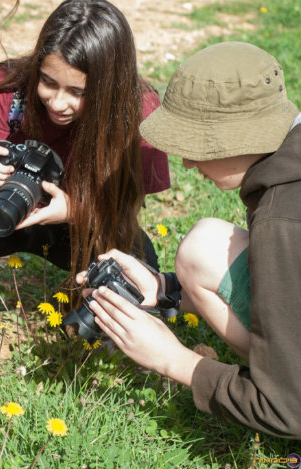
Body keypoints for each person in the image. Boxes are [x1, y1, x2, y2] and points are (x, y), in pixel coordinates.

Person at [0, 0, 170, 354]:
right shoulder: (8, 88)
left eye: (78, 92)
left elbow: (129, 204)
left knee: (137, 270)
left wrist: (76, 210)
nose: (56, 103)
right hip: (3, 209)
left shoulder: (140, 111)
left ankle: (86, 291)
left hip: (82, 221)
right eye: (48, 82)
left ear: (108, 88)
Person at [84, 42, 300, 439]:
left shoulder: (282, 219)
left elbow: (289, 411)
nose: (187, 163)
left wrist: (173, 359)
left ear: (237, 138)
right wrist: (164, 289)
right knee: (203, 247)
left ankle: (273, 375)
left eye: (197, 146)